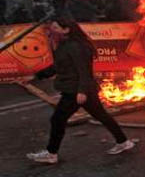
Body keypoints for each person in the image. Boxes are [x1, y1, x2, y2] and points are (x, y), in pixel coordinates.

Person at [25, 15, 135, 164]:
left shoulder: (76, 46)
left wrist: (82, 92)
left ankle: (51, 154)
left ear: (66, 30)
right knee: (101, 116)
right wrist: (36, 76)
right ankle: (123, 142)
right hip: (79, 89)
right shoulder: (64, 45)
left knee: (58, 119)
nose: (52, 30)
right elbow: (57, 66)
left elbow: (84, 71)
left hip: (75, 90)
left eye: (55, 27)